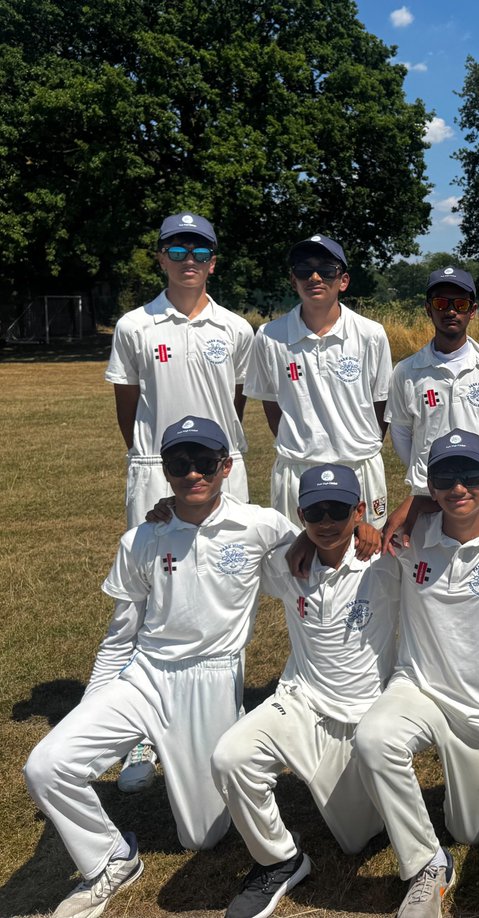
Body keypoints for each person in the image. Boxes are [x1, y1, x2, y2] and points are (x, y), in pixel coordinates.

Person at [23, 417, 295, 918]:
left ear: (226, 466)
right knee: (46, 765)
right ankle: (111, 858)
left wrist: (369, 527)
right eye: (180, 464)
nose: (193, 474)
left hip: (213, 679)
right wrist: (91, 708)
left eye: (205, 462)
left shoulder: (263, 525)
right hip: (144, 676)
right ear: (166, 472)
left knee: (203, 838)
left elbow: (321, 554)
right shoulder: (142, 539)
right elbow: (119, 636)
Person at [354, 430, 479, 918]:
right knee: (373, 739)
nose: (459, 487)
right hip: (420, 688)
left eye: (471, 475)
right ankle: (427, 863)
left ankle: (459, 827)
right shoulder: (409, 541)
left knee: (473, 831)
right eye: (445, 477)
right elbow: (344, 547)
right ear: (428, 487)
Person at [105, 212, 254, 792]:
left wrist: (210, 467)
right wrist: (158, 467)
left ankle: (224, 713)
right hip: (155, 468)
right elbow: (128, 404)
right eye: (177, 247)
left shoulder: (237, 329)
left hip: (222, 470)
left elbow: (237, 402)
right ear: (161, 257)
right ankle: (140, 731)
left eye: (200, 248)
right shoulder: (133, 326)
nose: (188, 257)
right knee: (148, 596)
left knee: (227, 591)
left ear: (213, 260)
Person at [211, 463, 395, 918]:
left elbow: (449, 520)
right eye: (315, 513)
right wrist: (167, 508)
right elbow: (216, 526)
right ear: (300, 514)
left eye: (338, 510)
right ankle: (279, 859)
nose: (327, 522)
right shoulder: (286, 562)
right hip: (300, 701)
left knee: (356, 839)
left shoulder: (388, 561)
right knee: (229, 757)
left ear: (358, 510)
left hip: (361, 718)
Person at [245, 234, 393, 527]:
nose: (314, 277)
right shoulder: (269, 336)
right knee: (295, 561)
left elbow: (381, 405)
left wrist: (354, 442)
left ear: (343, 280)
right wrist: (304, 442)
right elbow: (272, 405)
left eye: (326, 270)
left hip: (359, 465)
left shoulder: (370, 334)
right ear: (292, 280)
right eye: (304, 269)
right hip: (298, 468)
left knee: (366, 560)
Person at [387, 266, 479, 495]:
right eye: (441, 303)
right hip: (428, 491)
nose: (450, 311)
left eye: (460, 304)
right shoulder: (406, 370)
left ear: (473, 311)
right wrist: (425, 477)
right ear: (428, 309)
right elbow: (401, 433)